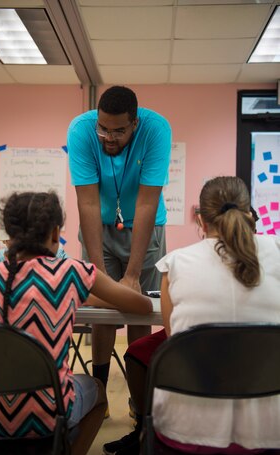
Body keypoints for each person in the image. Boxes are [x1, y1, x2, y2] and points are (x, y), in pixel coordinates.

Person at [103, 176, 280, 455]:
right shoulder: (276, 249)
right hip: (269, 431)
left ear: (200, 219)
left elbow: (175, 343)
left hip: (186, 431)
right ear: (249, 215)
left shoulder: (176, 264)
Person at [0, 191, 152, 455]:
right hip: (48, 416)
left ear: (9, 233)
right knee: (98, 391)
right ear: (56, 233)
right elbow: (143, 307)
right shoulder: (72, 272)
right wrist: (91, 294)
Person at [67, 86, 172, 401]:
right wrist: (98, 274)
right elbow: (86, 202)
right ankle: (99, 392)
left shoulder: (156, 129)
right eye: (104, 128)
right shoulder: (82, 130)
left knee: (140, 309)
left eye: (118, 131)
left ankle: (136, 397)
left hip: (146, 227)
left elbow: (146, 202)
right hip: (97, 225)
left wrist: (132, 273)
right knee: (103, 310)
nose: (108, 137)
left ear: (134, 123)